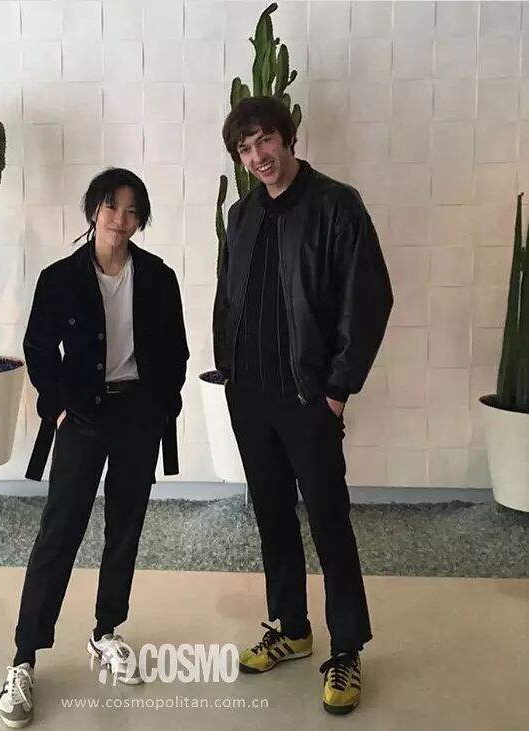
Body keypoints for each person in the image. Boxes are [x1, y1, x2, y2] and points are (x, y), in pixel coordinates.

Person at [213, 96, 393, 715]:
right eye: (245, 148)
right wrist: (229, 373)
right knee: (271, 517)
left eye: (265, 140)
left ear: (287, 137)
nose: (258, 156)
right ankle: (291, 628)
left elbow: (368, 299)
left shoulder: (336, 205)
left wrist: (337, 390)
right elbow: (227, 297)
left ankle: (346, 649)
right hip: (251, 397)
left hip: (308, 398)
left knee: (329, 522)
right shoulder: (241, 215)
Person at [0, 168, 189, 728]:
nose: (120, 220)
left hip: (138, 418)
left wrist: (162, 407)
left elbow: (175, 350)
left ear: (140, 219)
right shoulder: (60, 278)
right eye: (111, 207)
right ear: (93, 211)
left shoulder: (159, 277)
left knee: (125, 529)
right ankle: (24, 657)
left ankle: (106, 631)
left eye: (132, 211)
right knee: (59, 533)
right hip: (81, 419)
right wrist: (58, 407)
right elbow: (38, 348)